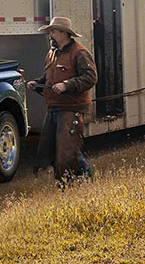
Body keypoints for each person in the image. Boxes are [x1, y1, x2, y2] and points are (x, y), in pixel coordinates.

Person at [27, 17, 97, 188]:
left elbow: (90, 77)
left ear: (65, 34)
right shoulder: (52, 53)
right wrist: (37, 84)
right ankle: (82, 181)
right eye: (50, 31)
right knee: (52, 150)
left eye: (53, 31)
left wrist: (67, 85)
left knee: (66, 152)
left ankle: (71, 185)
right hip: (54, 108)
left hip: (71, 109)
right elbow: (49, 78)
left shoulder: (79, 53)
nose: (50, 34)